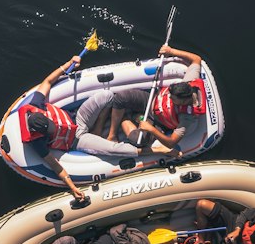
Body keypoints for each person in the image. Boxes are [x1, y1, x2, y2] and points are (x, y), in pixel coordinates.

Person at [17, 57, 156, 199]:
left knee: (106, 95)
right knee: (113, 149)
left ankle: (98, 128)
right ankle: (157, 150)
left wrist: (69, 63)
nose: (53, 128)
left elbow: (47, 82)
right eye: (50, 130)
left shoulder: (35, 105)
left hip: (77, 119)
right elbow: (55, 165)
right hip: (76, 140)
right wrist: (72, 187)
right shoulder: (36, 142)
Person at [104, 44, 207, 151]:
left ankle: (127, 117)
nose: (169, 97)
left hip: (158, 122)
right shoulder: (189, 81)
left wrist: (151, 129)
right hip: (150, 100)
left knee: (137, 140)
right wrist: (171, 51)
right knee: (121, 97)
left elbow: (171, 143)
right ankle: (112, 135)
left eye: (173, 98)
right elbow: (196, 59)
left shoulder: (186, 118)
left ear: (184, 100)